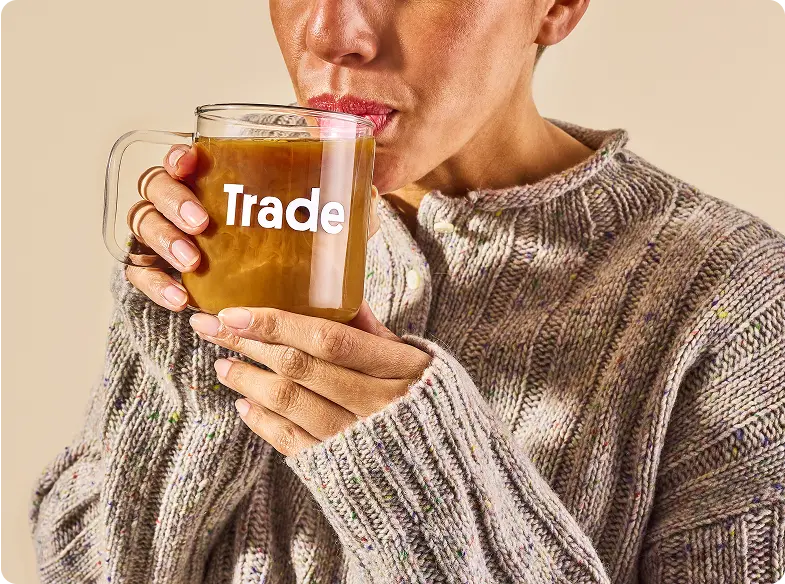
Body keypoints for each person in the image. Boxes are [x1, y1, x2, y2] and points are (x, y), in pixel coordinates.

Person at [30, 0, 785, 582]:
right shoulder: (239, 231)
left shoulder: (735, 299)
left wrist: (424, 486)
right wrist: (185, 367)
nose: (330, 33)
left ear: (555, 6)